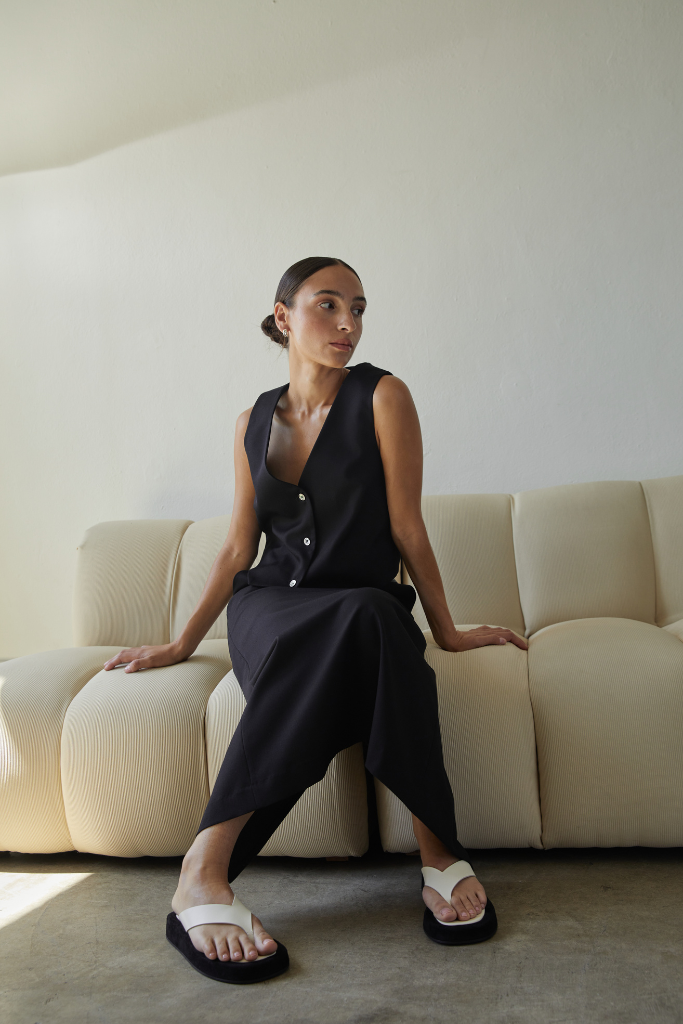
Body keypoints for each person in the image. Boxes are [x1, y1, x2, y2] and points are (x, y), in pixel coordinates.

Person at [104, 256, 528, 983]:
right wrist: (180, 642)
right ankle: (210, 873)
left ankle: (412, 849)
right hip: (269, 606)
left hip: (360, 605)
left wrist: (448, 630)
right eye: (327, 305)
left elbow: (407, 527)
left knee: (369, 617)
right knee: (354, 629)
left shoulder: (383, 396)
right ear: (283, 317)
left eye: (357, 308)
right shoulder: (251, 423)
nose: (347, 323)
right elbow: (238, 548)